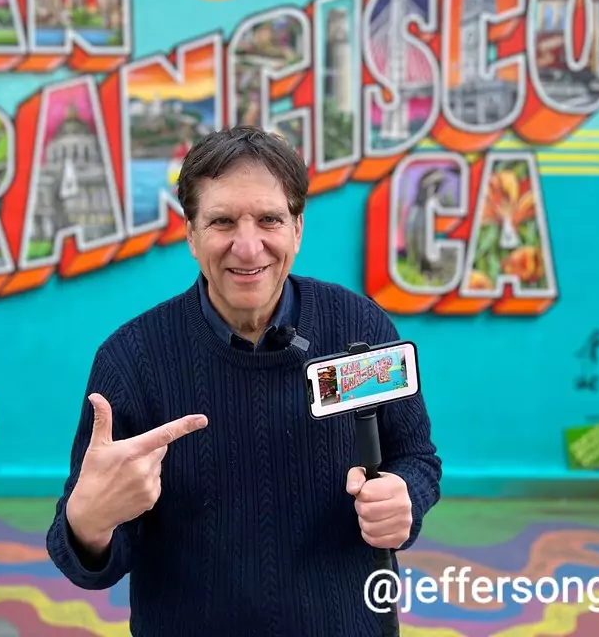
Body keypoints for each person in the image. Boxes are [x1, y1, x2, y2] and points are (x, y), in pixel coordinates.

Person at [46, 126, 442, 636]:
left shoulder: (360, 330)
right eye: (222, 221)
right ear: (190, 234)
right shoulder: (133, 360)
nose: (248, 246)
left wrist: (405, 494)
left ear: (298, 228)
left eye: (269, 219)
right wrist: (89, 524)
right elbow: (84, 554)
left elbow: (417, 457)